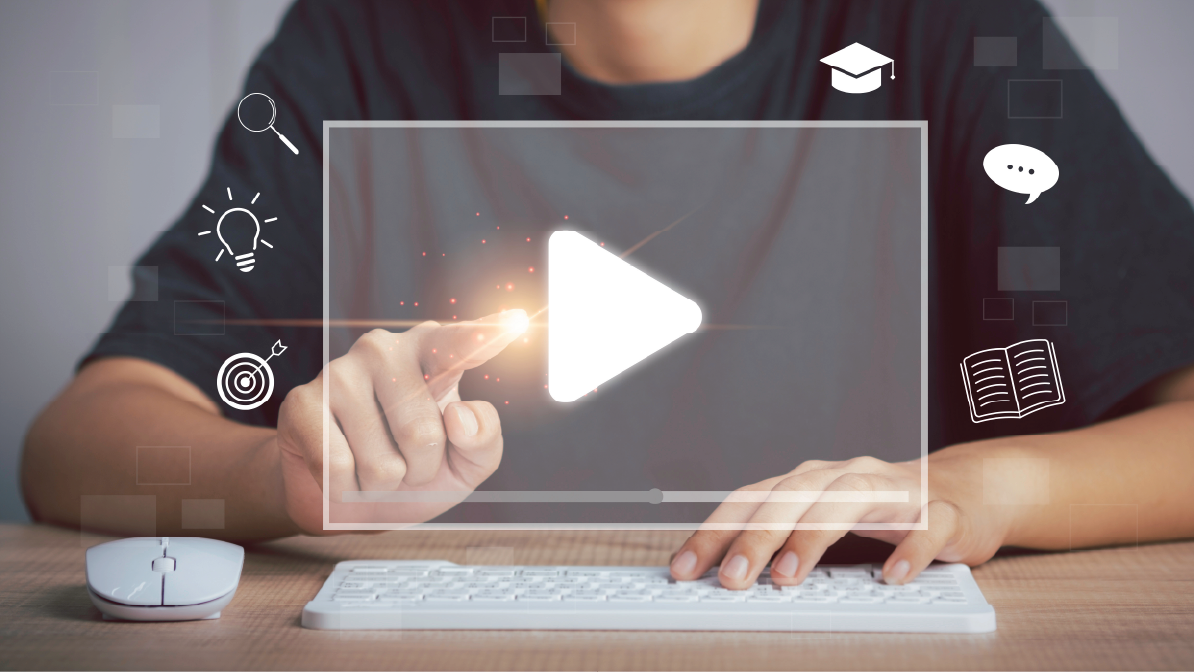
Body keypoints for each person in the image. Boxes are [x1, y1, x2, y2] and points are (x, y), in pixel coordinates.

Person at [21, 0, 1194, 591]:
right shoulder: (360, 42)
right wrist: (278, 483)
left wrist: (980, 487)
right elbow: (77, 440)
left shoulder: (953, 33)